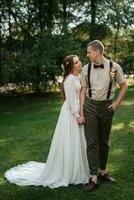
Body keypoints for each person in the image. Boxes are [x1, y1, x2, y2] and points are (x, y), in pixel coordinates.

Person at [5, 55, 90, 189]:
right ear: (71, 66)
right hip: (71, 114)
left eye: (79, 61)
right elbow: (71, 100)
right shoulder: (70, 80)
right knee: (70, 140)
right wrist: (77, 115)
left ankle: (77, 168)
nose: (80, 63)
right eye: (76, 62)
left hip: (76, 111)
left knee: (77, 141)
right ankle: (70, 171)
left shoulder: (77, 77)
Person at [80, 40, 128, 192]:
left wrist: (116, 105)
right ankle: (93, 176)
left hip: (107, 106)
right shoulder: (85, 69)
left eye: (89, 52)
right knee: (92, 141)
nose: (87, 55)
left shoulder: (115, 67)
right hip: (90, 106)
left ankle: (102, 171)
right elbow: (82, 91)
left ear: (98, 52)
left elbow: (124, 85)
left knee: (104, 141)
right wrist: (81, 112)